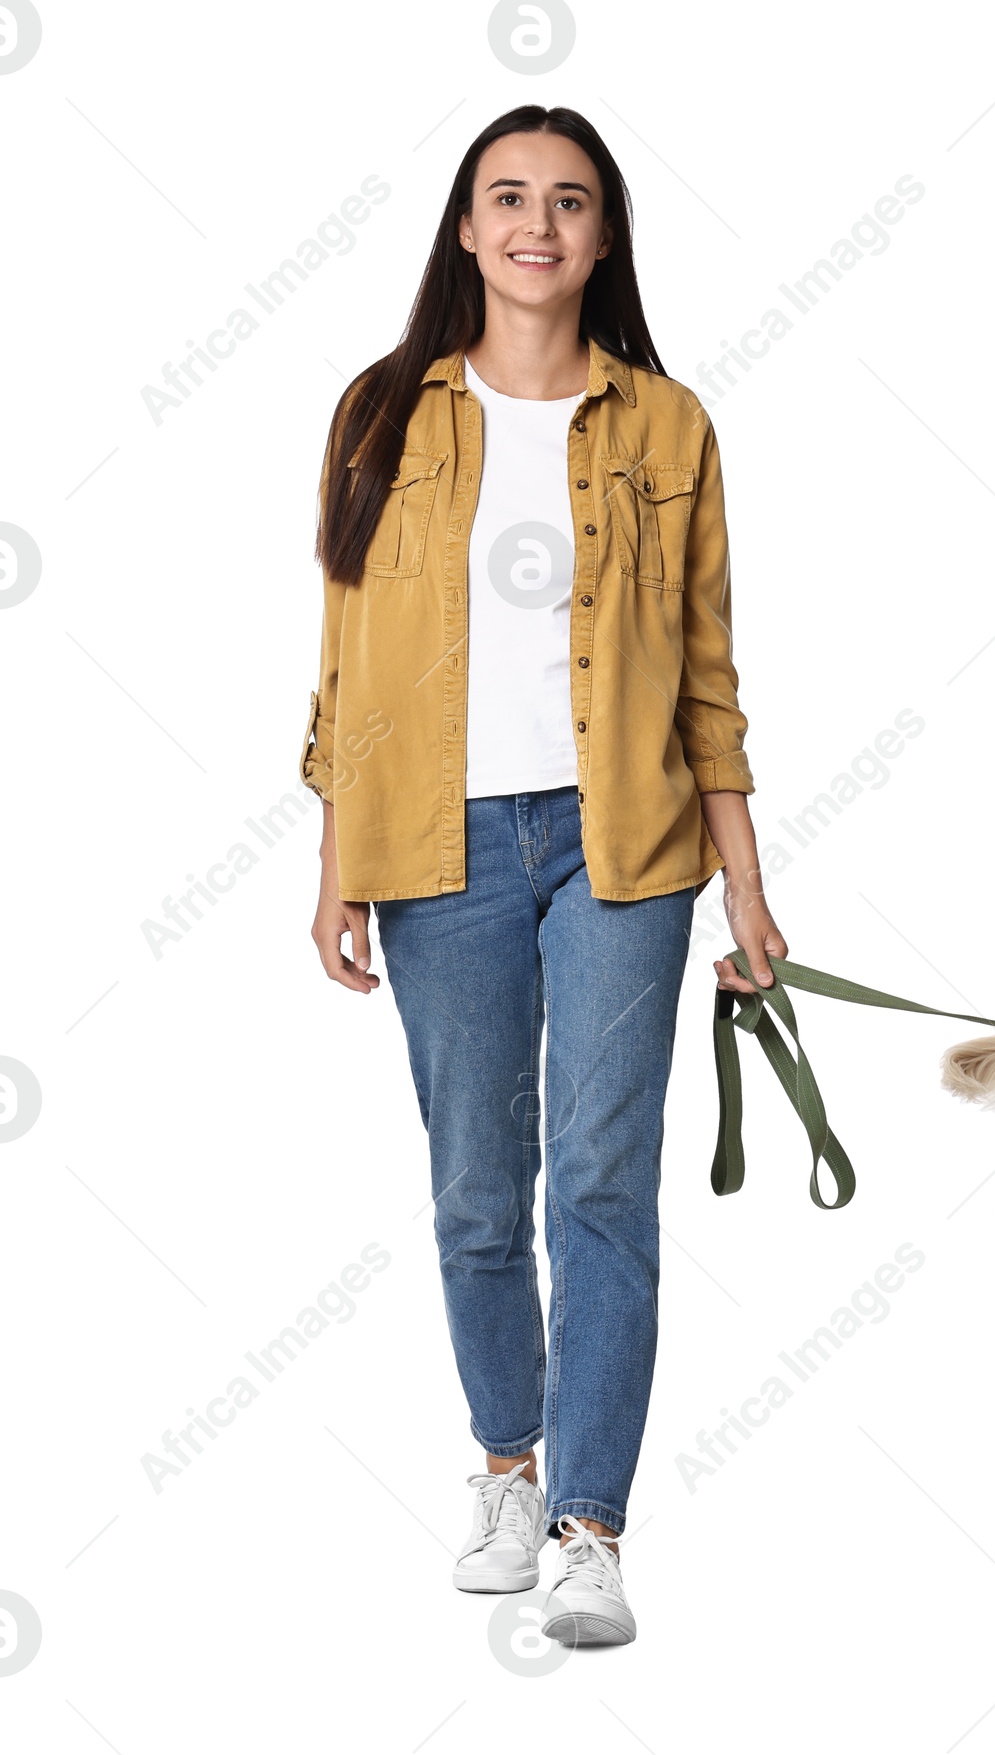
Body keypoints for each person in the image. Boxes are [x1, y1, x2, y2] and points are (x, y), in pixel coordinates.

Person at [298, 104, 783, 1647]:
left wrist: (751, 891)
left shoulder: (670, 426)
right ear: (463, 227)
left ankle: (590, 1524)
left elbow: (708, 673)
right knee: (472, 1197)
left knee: (598, 1184)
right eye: (508, 197)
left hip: (625, 845)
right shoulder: (381, 411)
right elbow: (347, 653)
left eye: (569, 202)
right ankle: (503, 1466)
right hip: (436, 845)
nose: (537, 224)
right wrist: (339, 859)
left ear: (604, 237)